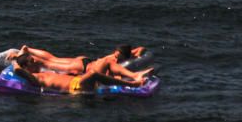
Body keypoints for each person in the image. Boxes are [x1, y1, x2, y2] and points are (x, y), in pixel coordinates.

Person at [12, 52, 147, 94]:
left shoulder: (44, 71)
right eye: (31, 61)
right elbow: (17, 69)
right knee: (93, 73)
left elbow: (21, 67)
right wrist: (15, 61)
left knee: (107, 60)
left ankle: (134, 75)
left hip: (79, 80)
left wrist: (17, 56)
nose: (35, 62)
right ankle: (134, 85)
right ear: (26, 67)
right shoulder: (34, 78)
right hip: (76, 88)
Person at [11, 44, 153, 82]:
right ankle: (24, 53)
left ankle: (27, 49)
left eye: (119, 57)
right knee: (50, 63)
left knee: (53, 59)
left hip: (85, 61)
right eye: (116, 55)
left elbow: (140, 49)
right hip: (82, 66)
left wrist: (136, 55)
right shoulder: (115, 60)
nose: (116, 58)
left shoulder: (116, 58)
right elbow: (140, 49)